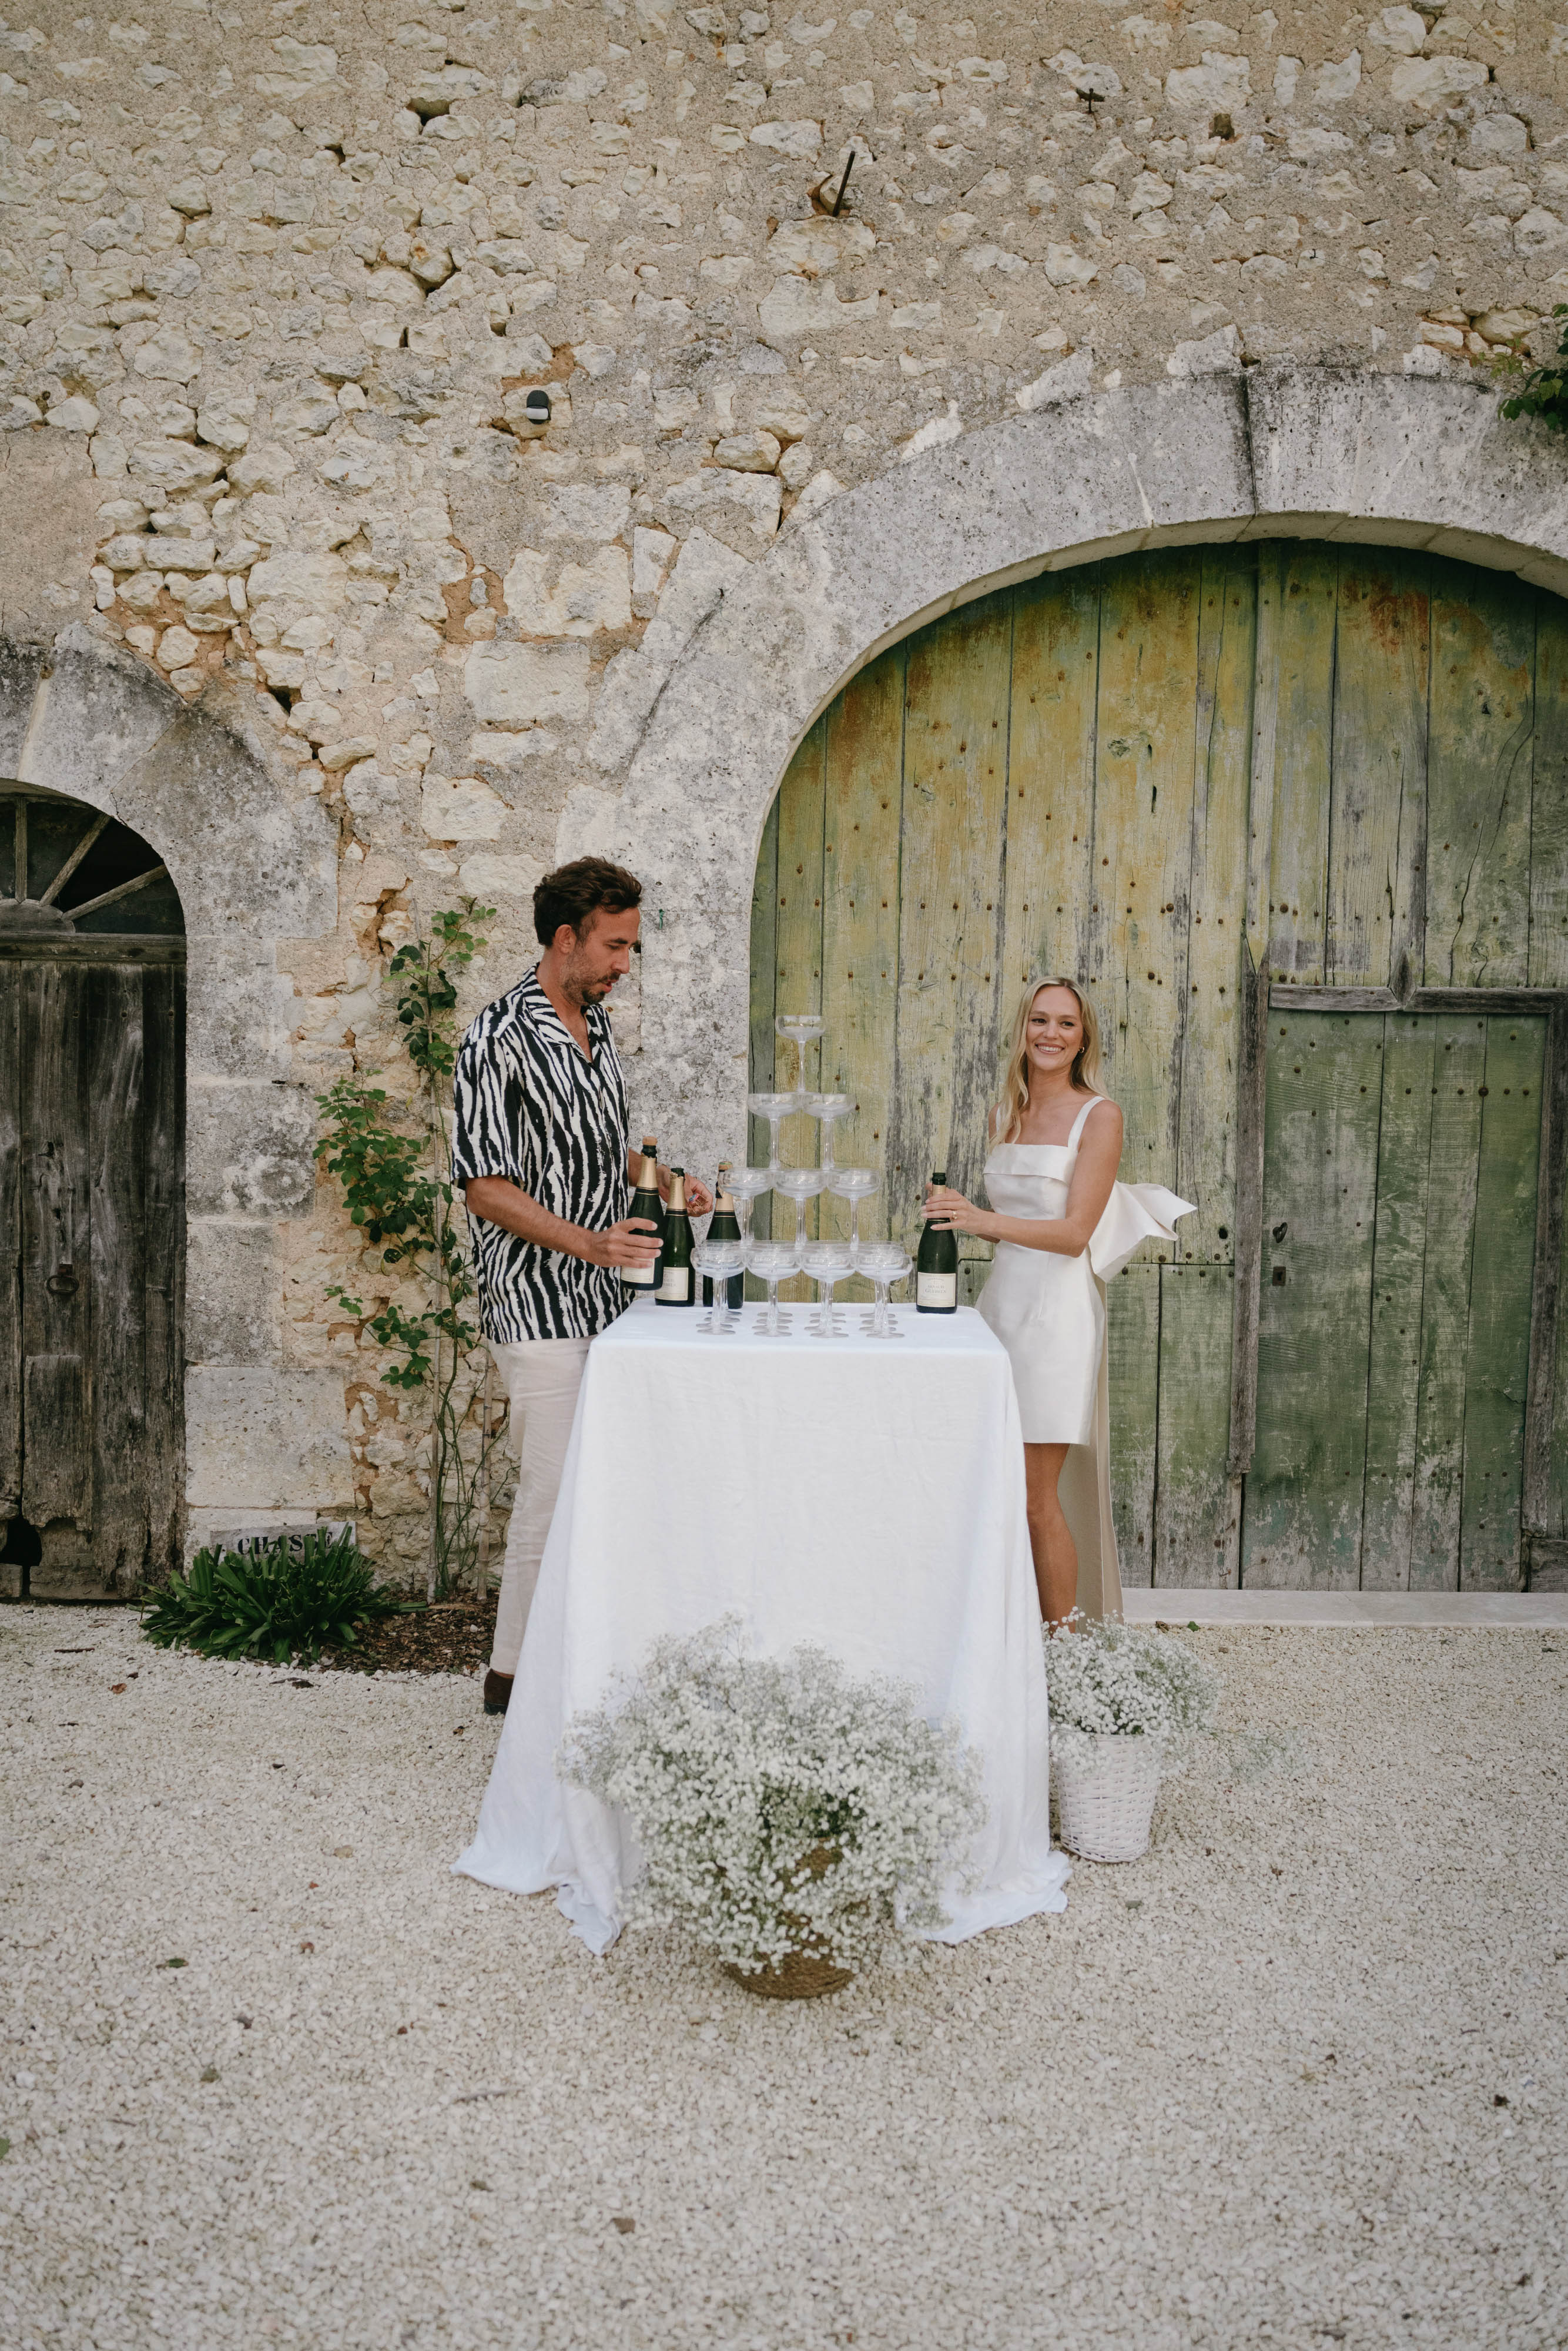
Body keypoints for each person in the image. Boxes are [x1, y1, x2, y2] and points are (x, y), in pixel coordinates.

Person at [451, 856, 711, 1716]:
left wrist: (673, 1185)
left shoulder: (596, 1034)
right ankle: (513, 1679)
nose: (624, 964)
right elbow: (484, 1186)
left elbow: (608, 1155)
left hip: (608, 1301)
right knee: (553, 1489)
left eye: (630, 947)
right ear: (565, 939)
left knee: (611, 1484)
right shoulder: (495, 1039)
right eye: (614, 946)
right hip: (535, 1304)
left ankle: (592, 1662)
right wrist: (589, 1244)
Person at [922, 977, 1191, 1632]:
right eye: (1039, 1020)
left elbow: (1073, 1236)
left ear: (1082, 1039)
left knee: (1036, 1496)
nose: (1050, 1033)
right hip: (998, 1310)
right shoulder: (1001, 1114)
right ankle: (1002, 1638)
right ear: (1022, 1030)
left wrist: (979, 1221)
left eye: (1066, 1024)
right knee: (991, 1484)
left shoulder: (1099, 1116)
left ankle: (1064, 1653)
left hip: (1057, 1317)